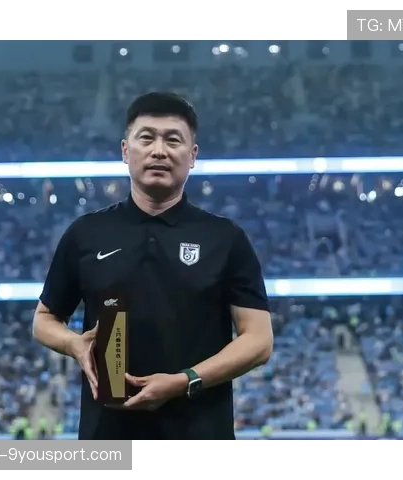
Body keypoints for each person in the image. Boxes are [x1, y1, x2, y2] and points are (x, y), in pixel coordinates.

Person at [33, 92, 273, 440]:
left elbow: (259, 340)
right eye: (146, 138)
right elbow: (44, 319)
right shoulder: (85, 234)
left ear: (192, 156)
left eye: (173, 140)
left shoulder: (225, 238)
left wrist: (184, 381)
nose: (159, 150)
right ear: (125, 151)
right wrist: (74, 344)